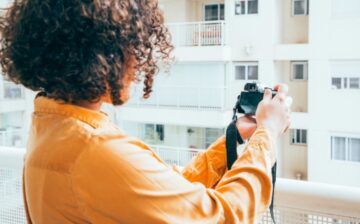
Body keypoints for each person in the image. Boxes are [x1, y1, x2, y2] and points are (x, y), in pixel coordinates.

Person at [0, 0, 290, 223]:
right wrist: (268, 133)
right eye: (133, 47)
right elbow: (221, 216)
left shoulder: (52, 127)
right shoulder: (94, 151)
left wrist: (236, 135)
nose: (139, 63)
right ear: (105, 55)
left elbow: (165, 193)